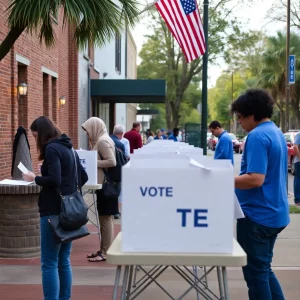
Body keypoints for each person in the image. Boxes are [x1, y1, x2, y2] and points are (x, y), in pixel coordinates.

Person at [232, 89, 290, 300]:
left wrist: (223, 179)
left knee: (256, 275)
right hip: (275, 213)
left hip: (257, 216)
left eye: (239, 117)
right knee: (264, 270)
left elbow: (256, 179)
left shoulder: (256, 136)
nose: (239, 122)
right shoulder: (275, 132)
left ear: (251, 113)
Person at [23, 116, 88, 300]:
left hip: (53, 211)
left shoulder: (51, 149)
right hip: (70, 213)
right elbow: (82, 177)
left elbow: (54, 180)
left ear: (42, 134)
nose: (35, 140)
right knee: (63, 261)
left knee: (49, 262)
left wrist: (33, 178)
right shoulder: (69, 148)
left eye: (35, 136)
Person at [82, 117, 118, 262]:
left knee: (106, 219)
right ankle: (103, 249)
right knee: (104, 217)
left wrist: (92, 161)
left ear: (95, 127)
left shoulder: (102, 141)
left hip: (106, 185)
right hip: (104, 184)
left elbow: (112, 161)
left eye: (88, 130)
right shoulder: (102, 140)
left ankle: (107, 251)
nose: (87, 134)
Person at [293, 132, 300, 206]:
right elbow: (295, 146)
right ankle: (298, 199)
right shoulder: (299, 134)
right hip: (298, 162)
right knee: (298, 178)